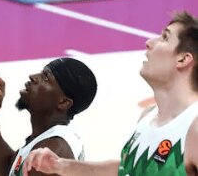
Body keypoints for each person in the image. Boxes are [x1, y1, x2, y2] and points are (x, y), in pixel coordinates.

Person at [25, 11, 198, 176]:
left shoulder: (194, 127)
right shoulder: (147, 116)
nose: (149, 42)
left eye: (165, 37)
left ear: (183, 59)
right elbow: (125, 169)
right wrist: (61, 166)